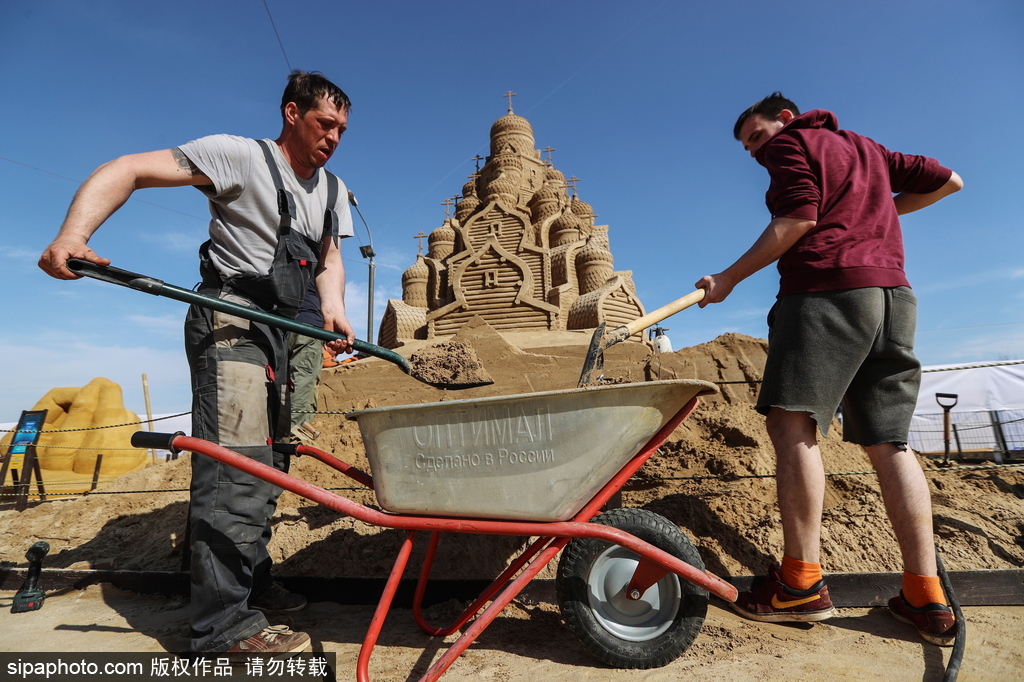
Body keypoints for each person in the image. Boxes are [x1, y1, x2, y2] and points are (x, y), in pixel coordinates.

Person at [39, 71, 356, 654]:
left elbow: (330, 258)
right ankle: (222, 627)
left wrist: (333, 308)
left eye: (341, 128)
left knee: (271, 464)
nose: (333, 137)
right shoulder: (238, 156)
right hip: (231, 319)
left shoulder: (333, 190)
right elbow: (128, 169)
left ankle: (249, 582)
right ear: (292, 113)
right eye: (324, 123)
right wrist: (72, 236)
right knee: (235, 465)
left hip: (290, 331)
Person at [695, 92, 963, 645]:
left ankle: (799, 585)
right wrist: (878, 210)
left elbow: (798, 216)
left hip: (827, 291)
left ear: (785, 119)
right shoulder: (867, 149)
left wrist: (728, 279)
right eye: (748, 147)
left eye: (756, 137)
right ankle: (925, 594)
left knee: (792, 422)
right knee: (889, 442)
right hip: (893, 297)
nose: (755, 152)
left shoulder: (792, 143)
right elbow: (950, 181)